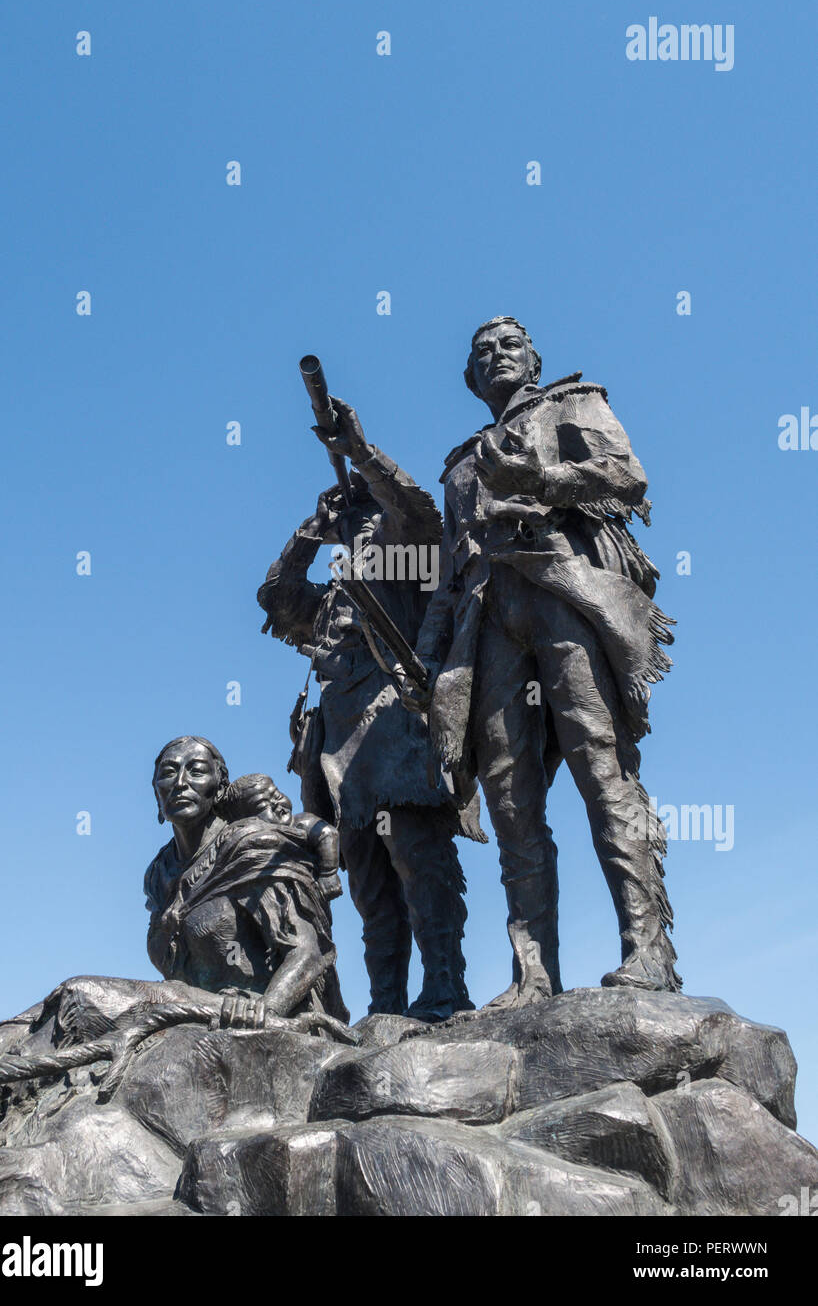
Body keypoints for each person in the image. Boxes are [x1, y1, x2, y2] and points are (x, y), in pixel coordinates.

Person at [406, 317, 680, 1004]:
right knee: (511, 801)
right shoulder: (461, 464)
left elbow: (628, 478)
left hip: (562, 593)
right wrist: (429, 654)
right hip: (489, 621)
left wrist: (547, 477)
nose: (496, 355)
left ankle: (648, 954)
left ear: (532, 357)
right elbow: (450, 570)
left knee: (601, 770)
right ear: (470, 380)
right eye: (481, 353)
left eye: (509, 345)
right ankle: (534, 976)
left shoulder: (571, 401)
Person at [258, 398, 481, 1022]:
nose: (360, 528)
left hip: (397, 729)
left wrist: (362, 457)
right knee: (368, 885)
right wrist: (310, 529)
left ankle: (444, 988)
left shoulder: (407, 559)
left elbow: (416, 509)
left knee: (420, 859)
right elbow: (276, 599)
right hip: (338, 754)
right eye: (351, 523)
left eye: (367, 517)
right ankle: (386, 1003)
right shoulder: (329, 597)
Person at [145, 736, 348, 1024]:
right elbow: (165, 962)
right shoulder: (160, 873)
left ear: (218, 789)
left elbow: (308, 954)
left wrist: (268, 1009)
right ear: (156, 793)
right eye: (168, 773)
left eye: (196, 771)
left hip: (269, 1021)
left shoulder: (252, 845)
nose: (180, 782)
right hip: (196, 1013)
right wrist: (166, 927)